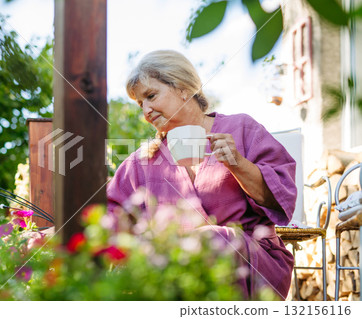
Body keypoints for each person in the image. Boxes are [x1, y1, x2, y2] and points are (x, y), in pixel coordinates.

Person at [107, 50, 296, 300]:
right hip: (175, 273)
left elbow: (280, 197)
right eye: (140, 104)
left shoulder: (241, 129)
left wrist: (238, 163)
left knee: (211, 241)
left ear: (183, 88)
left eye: (151, 96)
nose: (146, 110)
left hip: (252, 265)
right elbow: (105, 215)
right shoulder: (143, 160)